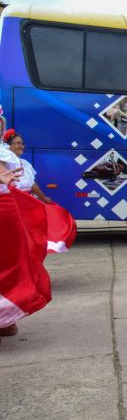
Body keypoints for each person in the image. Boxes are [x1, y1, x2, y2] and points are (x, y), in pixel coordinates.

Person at [0, 146, 49, 340]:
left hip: (6, 209)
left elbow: (3, 171)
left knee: (12, 264)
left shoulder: (3, 152)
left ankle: (5, 317)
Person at [3, 129, 77, 253]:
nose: (21, 146)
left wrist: (43, 198)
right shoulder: (6, 165)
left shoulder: (24, 163)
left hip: (27, 202)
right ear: (8, 146)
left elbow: (32, 184)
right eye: (17, 143)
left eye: (22, 143)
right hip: (15, 202)